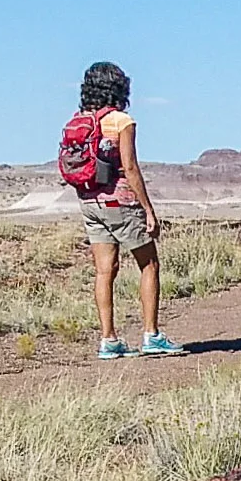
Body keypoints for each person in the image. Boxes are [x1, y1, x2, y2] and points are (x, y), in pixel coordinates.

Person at [70, 62, 184, 359]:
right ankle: (152, 335)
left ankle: (109, 340)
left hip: (89, 202)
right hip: (119, 201)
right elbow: (130, 168)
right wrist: (148, 208)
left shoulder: (80, 119)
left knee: (105, 271)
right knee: (149, 265)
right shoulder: (121, 121)